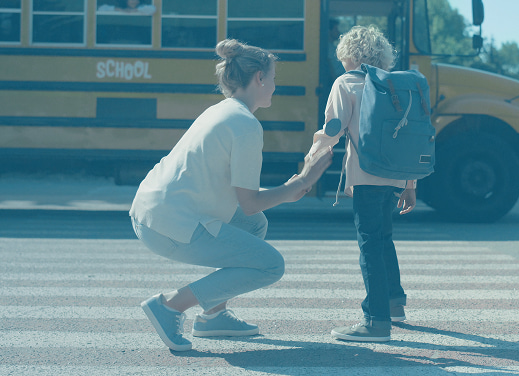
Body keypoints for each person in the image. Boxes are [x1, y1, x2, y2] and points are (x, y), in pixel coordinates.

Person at [129, 39, 332, 351]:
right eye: (274, 78)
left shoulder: (222, 111)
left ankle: (214, 316)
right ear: (259, 78)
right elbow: (249, 203)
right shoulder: (245, 125)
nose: (275, 86)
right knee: (270, 265)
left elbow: (244, 202)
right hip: (167, 224)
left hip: (154, 211)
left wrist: (291, 189)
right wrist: (301, 183)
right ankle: (170, 305)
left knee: (254, 227)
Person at [307, 25, 417, 342]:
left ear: (353, 55)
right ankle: (394, 303)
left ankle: (376, 320)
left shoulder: (347, 83)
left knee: (369, 243)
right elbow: (409, 138)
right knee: (383, 237)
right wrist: (410, 184)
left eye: (343, 57)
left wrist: (308, 166)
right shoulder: (399, 86)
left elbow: (332, 130)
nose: (341, 63)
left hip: (367, 176)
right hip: (396, 175)